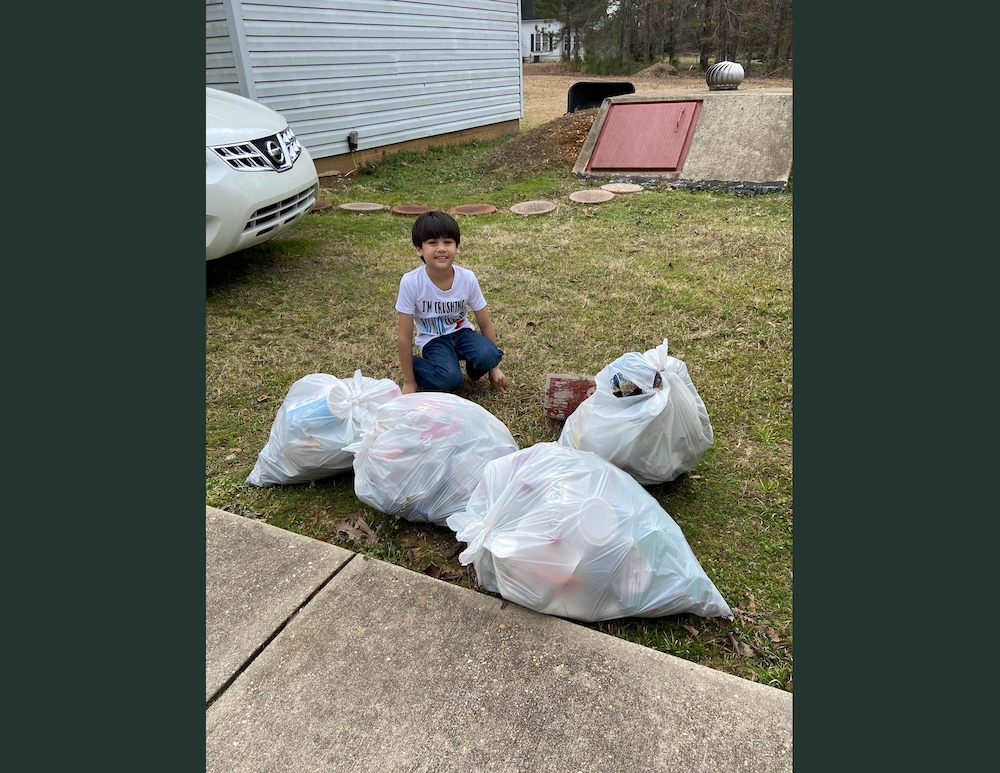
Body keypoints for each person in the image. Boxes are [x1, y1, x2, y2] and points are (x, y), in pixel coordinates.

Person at [396, 211, 508, 395]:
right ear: (419, 249)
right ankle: (416, 366)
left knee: (489, 355)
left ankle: (475, 369)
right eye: (432, 243)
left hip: (462, 333)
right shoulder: (411, 282)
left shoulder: (467, 278)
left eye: (448, 242)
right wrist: (409, 381)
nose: (441, 248)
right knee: (450, 379)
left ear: (457, 247)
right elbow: (405, 336)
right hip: (433, 339)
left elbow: (485, 323)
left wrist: (493, 368)